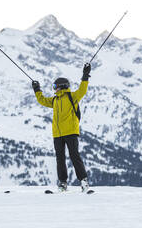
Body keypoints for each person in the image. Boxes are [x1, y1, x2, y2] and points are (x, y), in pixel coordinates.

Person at [31, 63, 92, 193]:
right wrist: (37, 90)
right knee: (60, 159)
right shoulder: (55, 100)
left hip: (70, 132)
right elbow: (42, 100)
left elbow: (82, 90)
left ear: (61, 87)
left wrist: (85, 75)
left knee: (75, 156)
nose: (54, 89)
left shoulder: (72, 97)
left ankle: (84, 181)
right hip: (57, 134)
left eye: (55, 87)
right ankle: (63, 183)